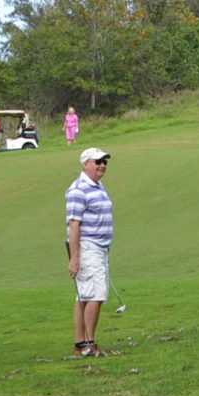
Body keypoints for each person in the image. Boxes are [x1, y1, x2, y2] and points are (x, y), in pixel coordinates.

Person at [65, 148, 114, 357]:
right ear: (85, 164)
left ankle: (81, 344)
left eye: (104, 161)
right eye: (97, 161)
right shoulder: (78, 189)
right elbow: (74, 225)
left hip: (100, 247)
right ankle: (88, 343)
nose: (102, 165)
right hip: (87, 247)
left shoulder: (98, 186)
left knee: (84, 295)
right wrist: (75, 258)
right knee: (96, 294)